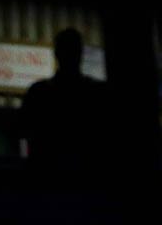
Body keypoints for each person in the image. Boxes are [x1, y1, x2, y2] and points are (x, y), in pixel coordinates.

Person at [18, 28, 109, 173]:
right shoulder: (97, 93)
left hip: (47, 175)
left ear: (56, 54)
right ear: (81, 54)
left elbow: (23, 134)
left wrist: (26, 161)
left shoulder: (39, 92)